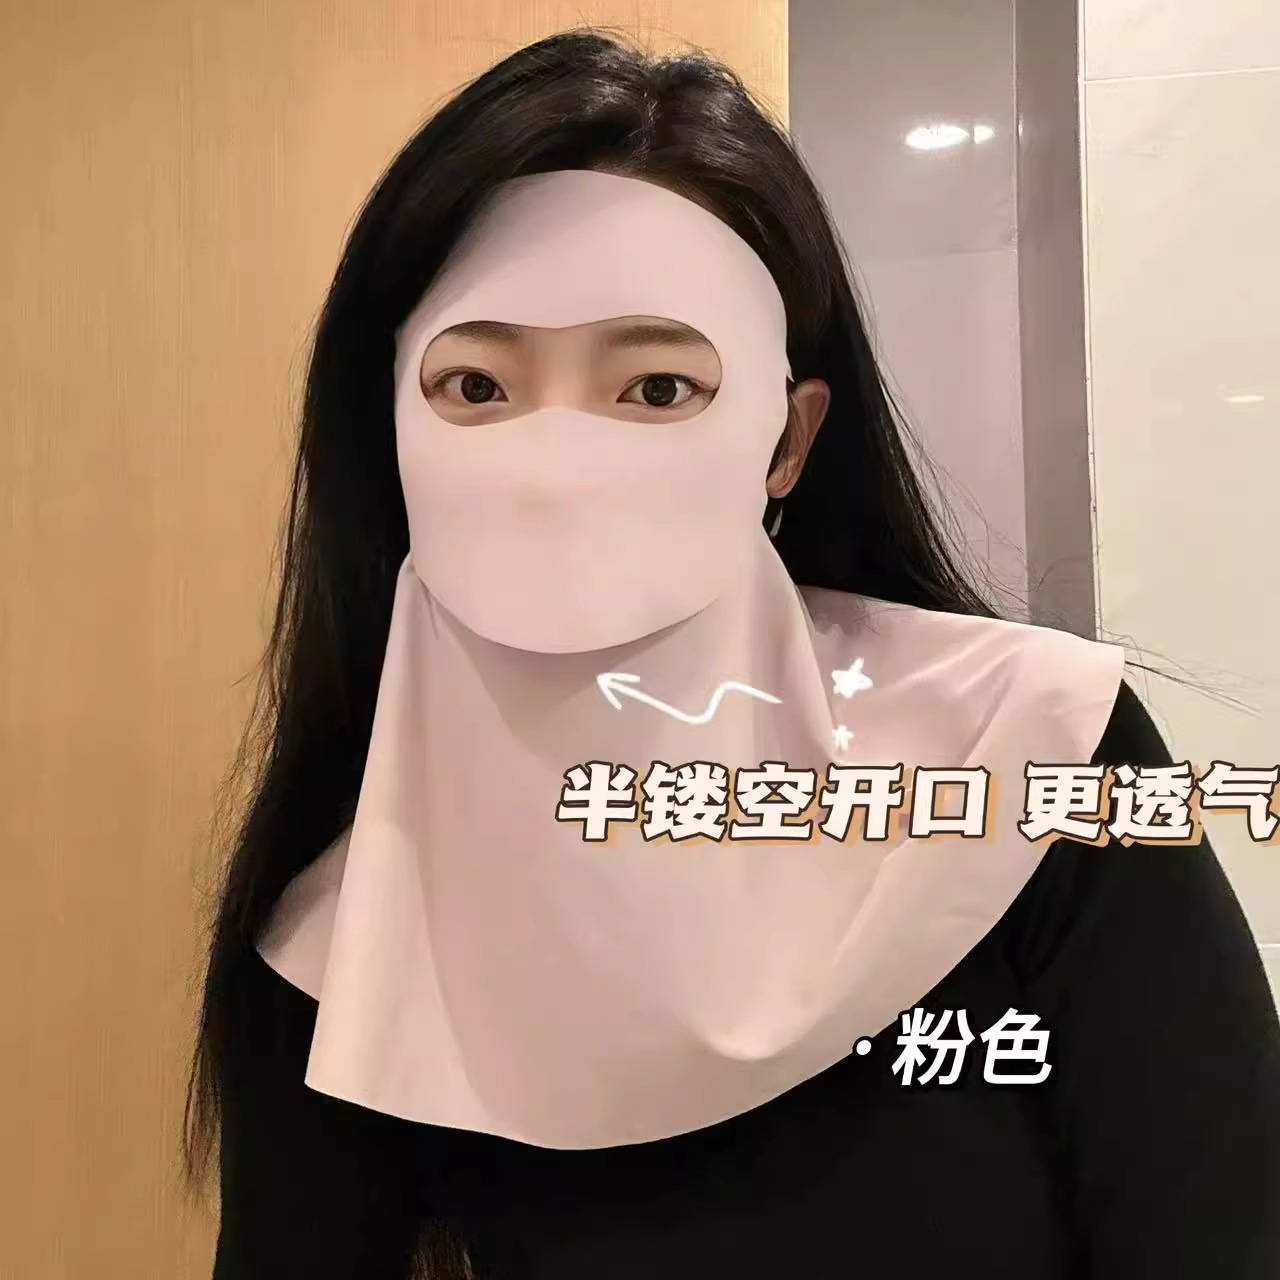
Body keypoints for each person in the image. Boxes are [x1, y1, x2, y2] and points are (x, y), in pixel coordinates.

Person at [187, 29, 1280, 1280]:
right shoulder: (343, 939)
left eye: (656, 387)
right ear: (387, 430)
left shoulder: (1029, 755)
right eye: (477, 386)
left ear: (787, 438)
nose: (556, 466)